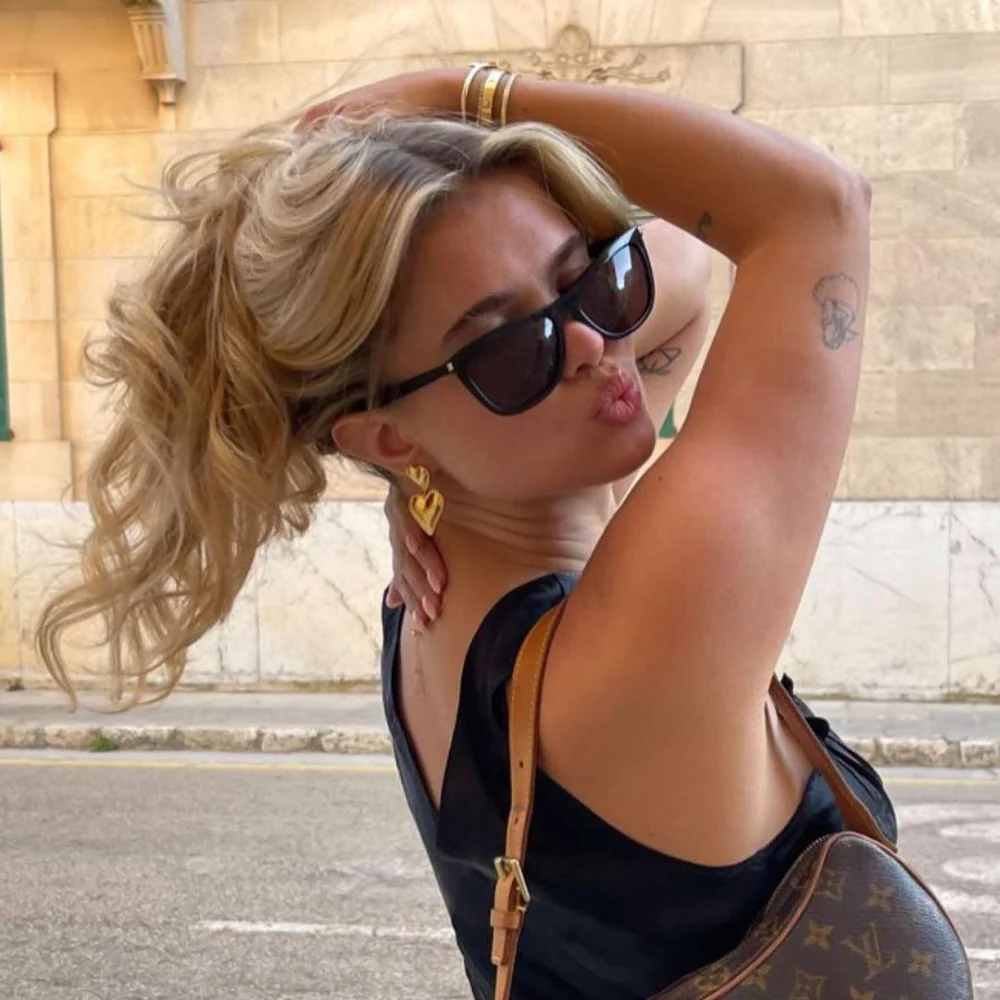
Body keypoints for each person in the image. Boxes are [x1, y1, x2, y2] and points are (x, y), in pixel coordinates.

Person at [36, 66, 896, 1000]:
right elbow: (813, 207)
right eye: (510, 347)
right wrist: (462, 90)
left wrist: (426, 466)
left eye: (590, 278)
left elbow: (679, 266)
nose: (594, 347)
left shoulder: (444, 593)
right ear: (387, 436)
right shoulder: (639, 645)